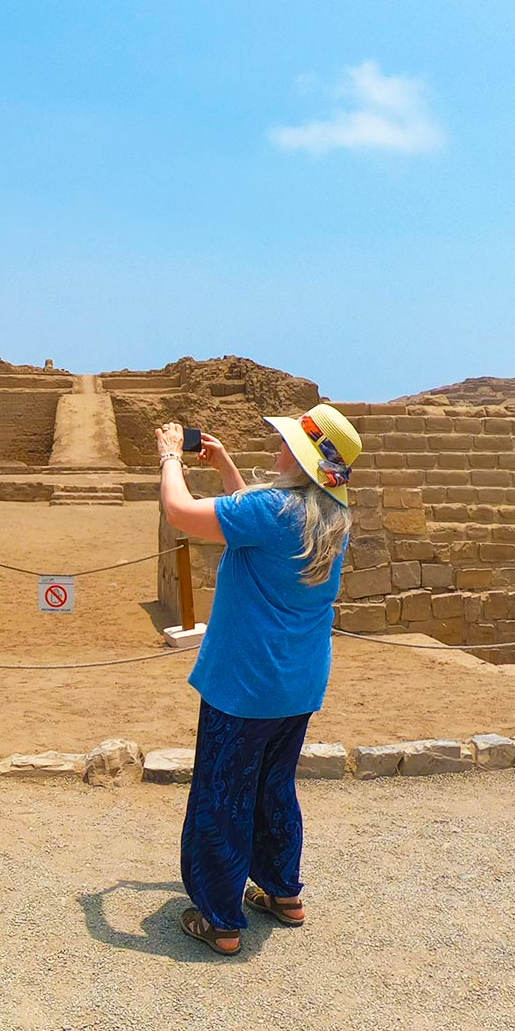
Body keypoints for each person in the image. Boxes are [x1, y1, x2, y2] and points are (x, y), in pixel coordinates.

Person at [155, 404, 363, 956]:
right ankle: (282, 891)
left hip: (244, 684)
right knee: (273, 788)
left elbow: (180, 512)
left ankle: (220, 920)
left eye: (286, 443)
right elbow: (253, 525)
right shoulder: (330, 513)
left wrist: (170, 455)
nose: (277, 447)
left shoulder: (273, 510)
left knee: (223, 794)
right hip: (296, 685)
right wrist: (225, 467)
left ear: (297, 456)